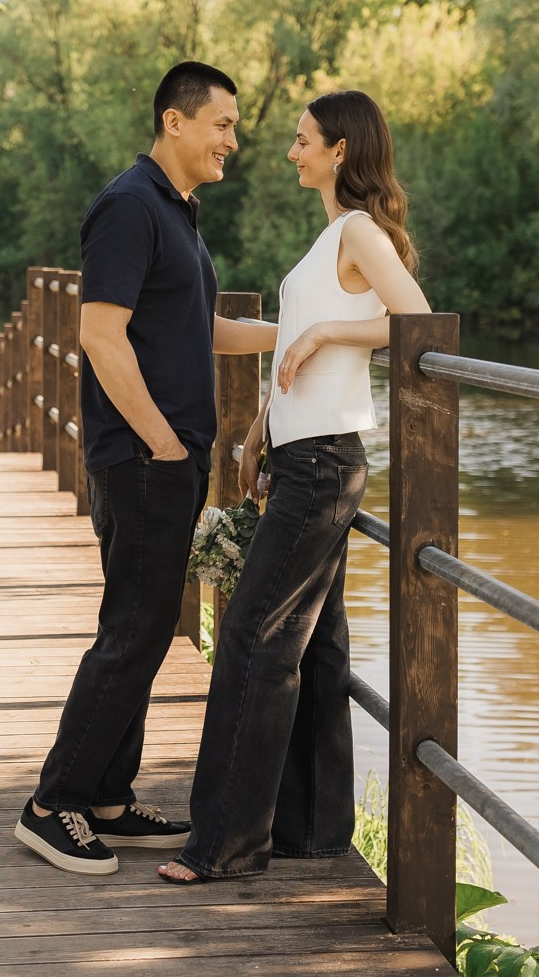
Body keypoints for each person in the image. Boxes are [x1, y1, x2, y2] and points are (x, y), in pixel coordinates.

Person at [14, 61, 278, 876]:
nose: (234, 138)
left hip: (163, 455)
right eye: (222, 123)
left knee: (145, 625)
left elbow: (199, 330)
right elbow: (100, 334)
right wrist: (163, 442)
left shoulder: (176, 211)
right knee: (135, 631)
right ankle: (52, 803)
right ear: (175, 121)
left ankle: (105, 797)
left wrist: (300, 330)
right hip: (143, 456)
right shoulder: (131, 206)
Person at [161, 89, 429, 883]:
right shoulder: (328, 238)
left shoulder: (358, 231)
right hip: (300, 455)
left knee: (251, 636)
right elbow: (305, 368)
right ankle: (312, 829)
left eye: (303, 139)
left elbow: (419, 318)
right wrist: (258, 429)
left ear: (341, 149)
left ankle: (226, 844)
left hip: (326, 464)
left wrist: (324, 330)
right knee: (315, 645)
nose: (290, 150)